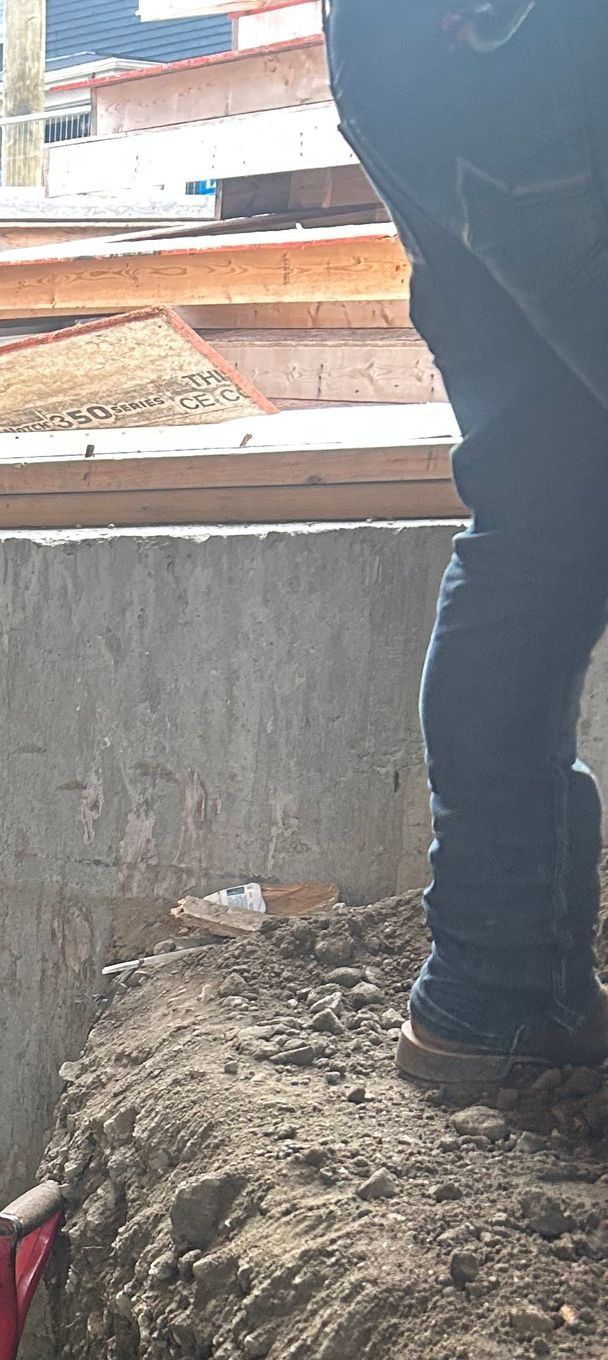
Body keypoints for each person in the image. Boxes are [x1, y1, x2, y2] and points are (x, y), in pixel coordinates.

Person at [326, 0, 608, 1085]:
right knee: (545, 508)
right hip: (520, 43)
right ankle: (496, 989)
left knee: (547, 500)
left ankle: (496, 993)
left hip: (421, 51)